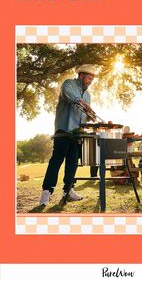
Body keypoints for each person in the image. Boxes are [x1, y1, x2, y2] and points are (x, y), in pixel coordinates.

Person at [39, 64, 97, 205]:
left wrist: (90, 115)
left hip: (77, 134)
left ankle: (68, 190)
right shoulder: (69, 84)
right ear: (81, 75)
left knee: (72, 163)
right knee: (56, 161)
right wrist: (82, 102)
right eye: (89, 78)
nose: (90, 82)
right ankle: (46, 192)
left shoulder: (88, 95)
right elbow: (71, 96)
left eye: (92, 80)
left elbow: (84, 113)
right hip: (64, 130)